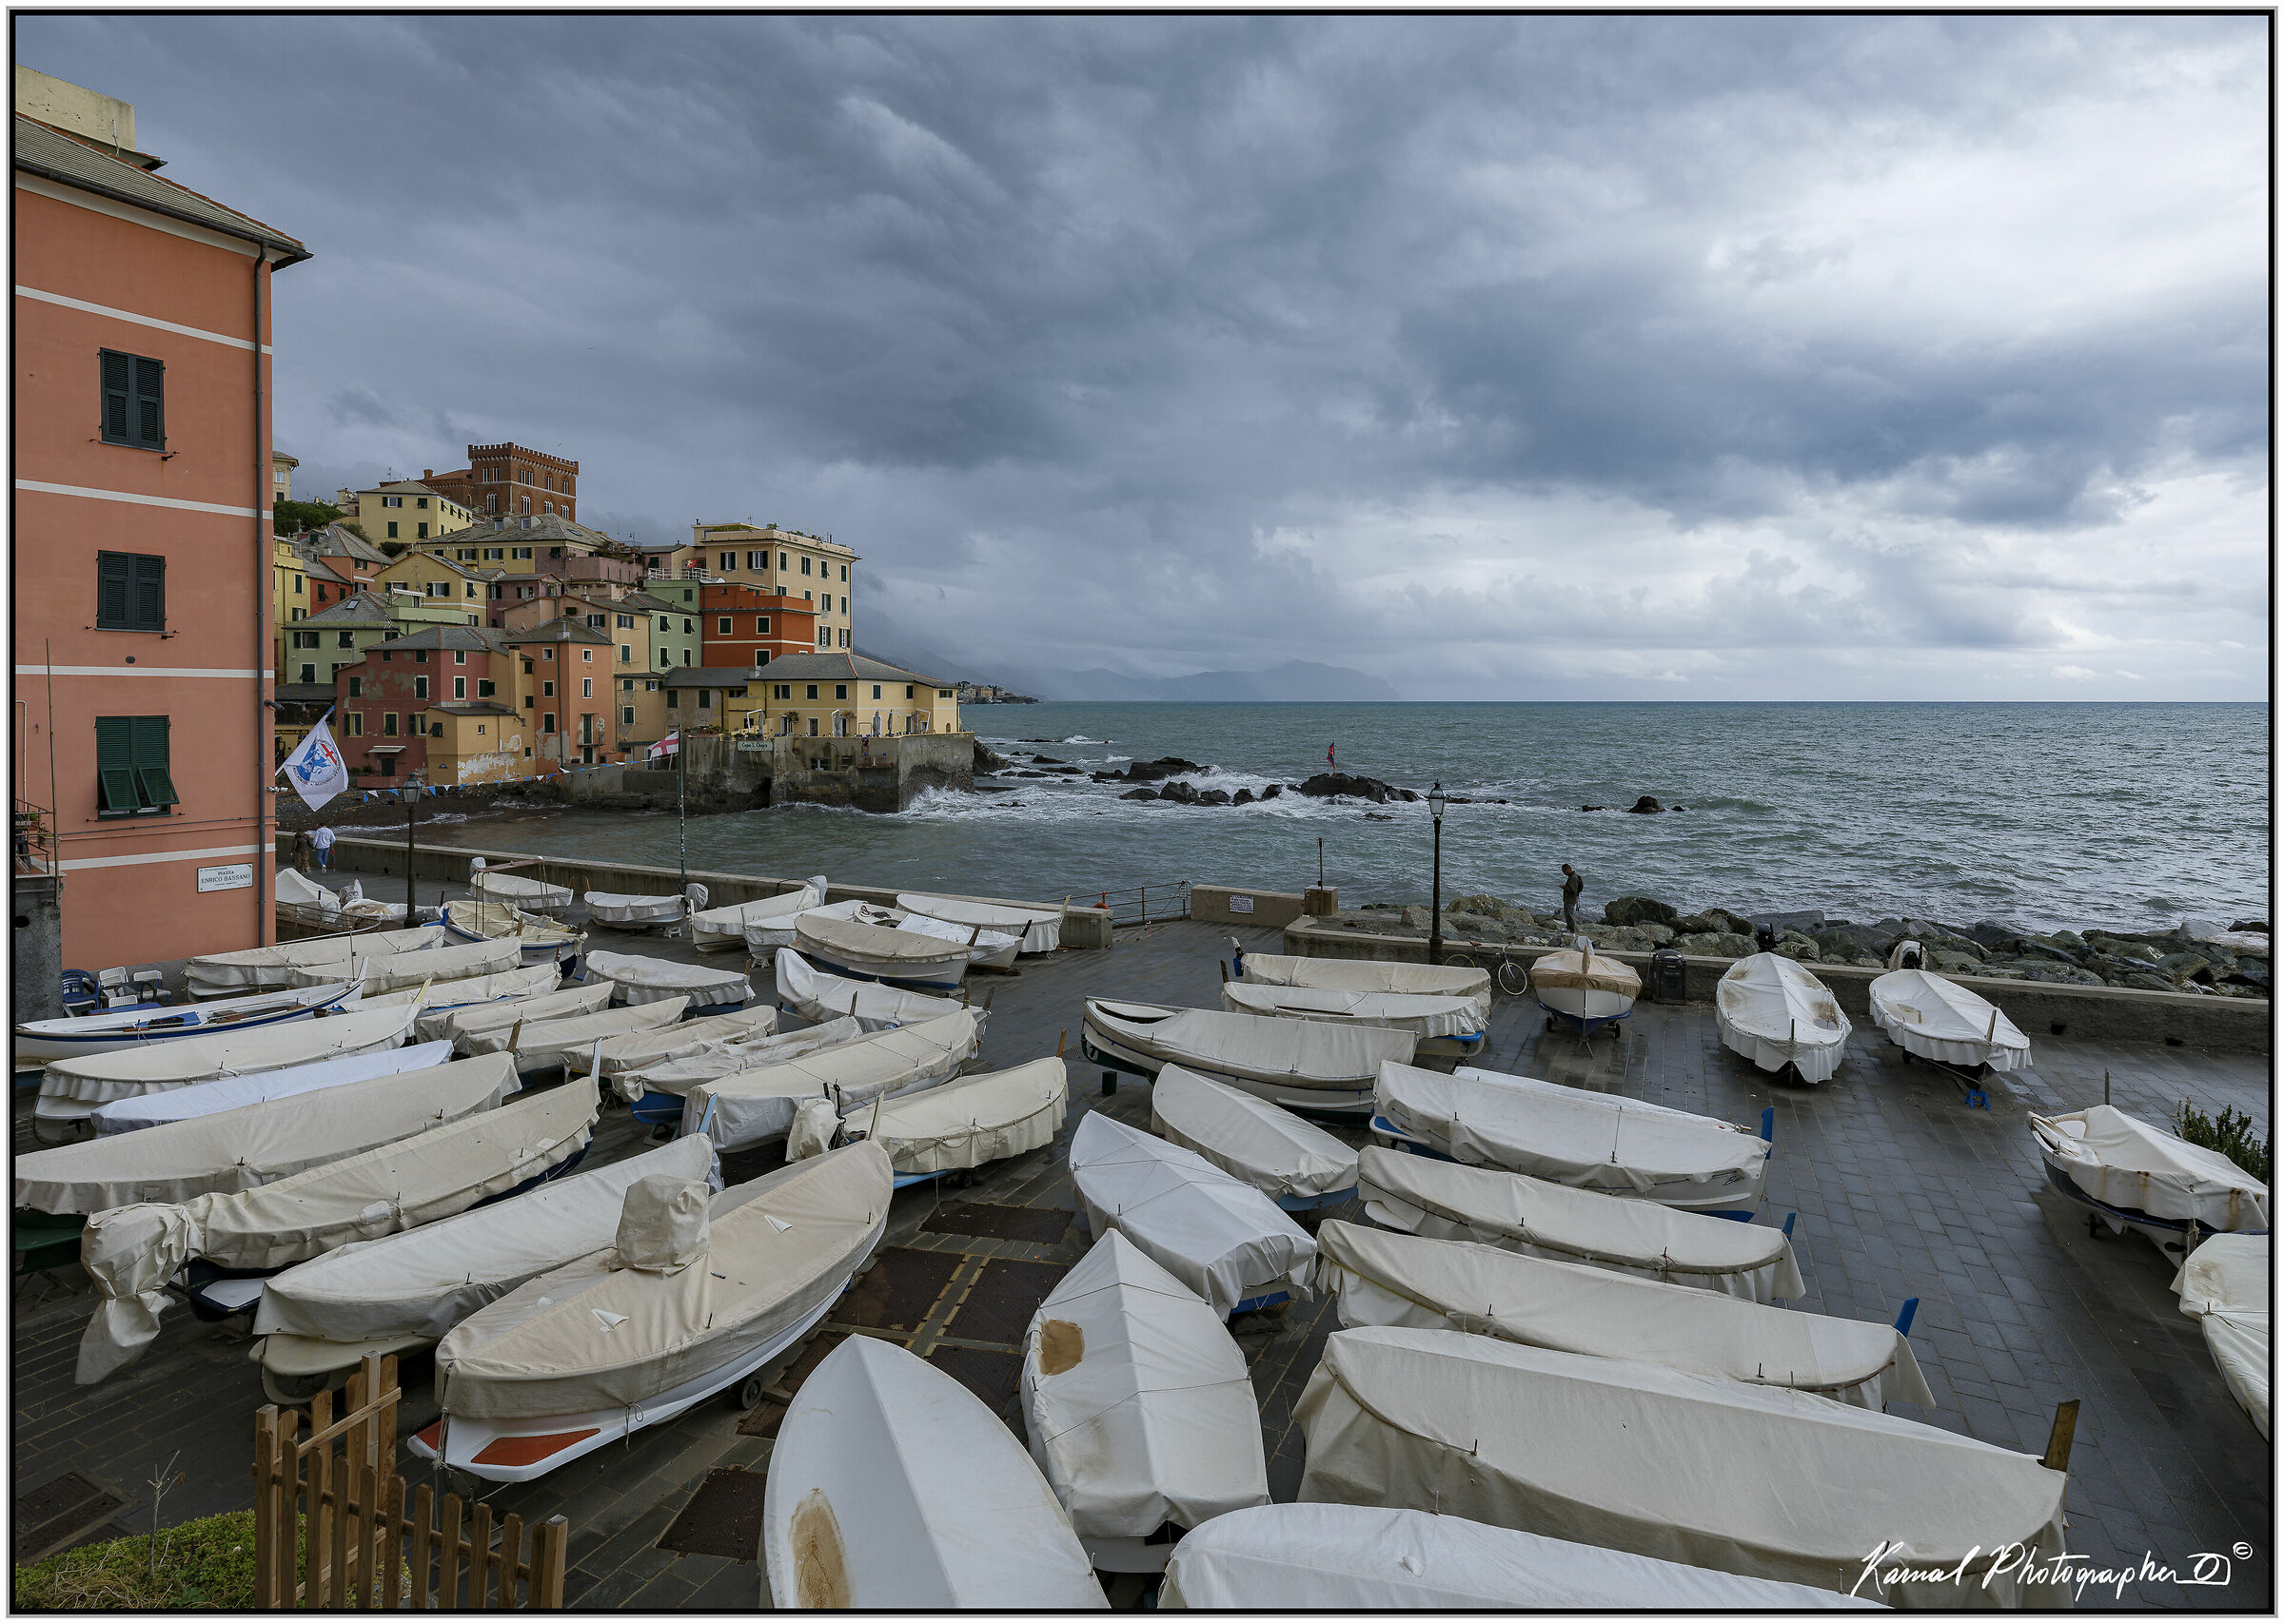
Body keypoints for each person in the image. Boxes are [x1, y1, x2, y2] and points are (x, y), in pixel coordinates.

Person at [1560, 863, 1584, 932]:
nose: (1563, 872)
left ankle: (1572, 931)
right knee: (1567, 914)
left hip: (1570, 899)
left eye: (1563, 870)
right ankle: (1568, 928)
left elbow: (1573, 890)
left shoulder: (1573, 878)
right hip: (1568, 899)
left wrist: (1563, 887)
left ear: (1568, 869)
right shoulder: (1572, 876)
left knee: (1570, 915)